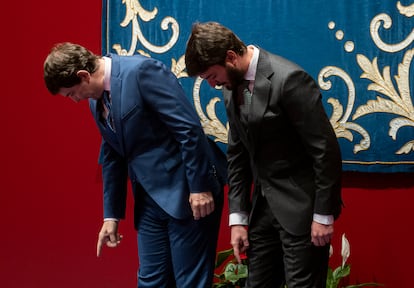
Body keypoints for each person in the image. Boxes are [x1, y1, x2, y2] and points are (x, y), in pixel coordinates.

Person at [43, 42, 227, 288]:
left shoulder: (142, 71)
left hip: (188, 192)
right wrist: (111, 216)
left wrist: (199, 188)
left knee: (190, 283)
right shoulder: (94, 99)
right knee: (150, 282)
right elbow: (111, 154)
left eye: (72, 93)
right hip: (149, 200)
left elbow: (188, 129)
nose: (75, 100)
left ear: (83, 76)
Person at [185, 22, 343, 288]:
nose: (213, 84)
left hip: (302, 209)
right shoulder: (230, 86)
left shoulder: (290, 79)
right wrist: (238, 219)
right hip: (262, 210)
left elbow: (325, 150)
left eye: (212, 76)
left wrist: (323, 215)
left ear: (231, 57)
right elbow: (237, 155)